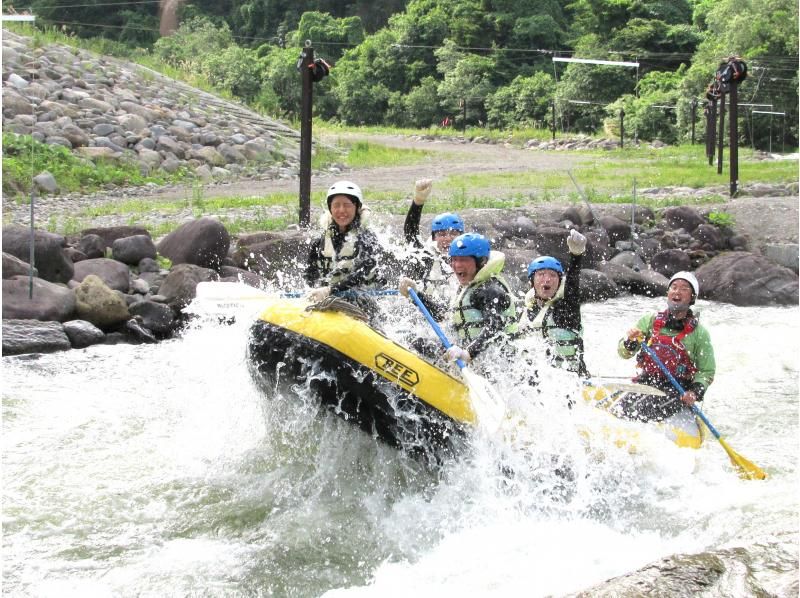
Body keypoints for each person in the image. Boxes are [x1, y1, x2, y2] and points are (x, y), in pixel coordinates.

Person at [399, 232, 517, 365]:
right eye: (454, 259)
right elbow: (444, 316)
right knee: (417, 342)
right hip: (472, 358)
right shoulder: (469, 287)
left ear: (482, 262)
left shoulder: (491, 290)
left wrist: (468, 353)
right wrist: (416, 295)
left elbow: (495, 325)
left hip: (497, 364)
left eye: (464, 260)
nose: (457, 265)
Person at [616, 271, 716, 422]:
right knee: (621, 409)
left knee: (644, 411)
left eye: (684, 289)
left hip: (677, 389)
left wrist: (694, 392)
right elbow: (624, 354)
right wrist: (631, 341)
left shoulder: (700, 334)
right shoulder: (649, 321)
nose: (677, 292)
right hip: (647, 382)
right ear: (668, 293)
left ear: (692, 297)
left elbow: (706, 371)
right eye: (674, 287)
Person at [517, 229, 590, 377]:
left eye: (552, 275)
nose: (547, 279)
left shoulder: (566, 309)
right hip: (537, 383)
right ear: (532, 281)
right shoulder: (528, 311)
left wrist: (576, 256)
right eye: (541, 274)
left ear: (559, 281)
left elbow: (572, 285)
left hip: (569, 382)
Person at [304, 180, 387, 303]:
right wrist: (312, 291)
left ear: (357, 207)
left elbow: (362, 272)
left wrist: (330, 290)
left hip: (366, 301)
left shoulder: (368, 238)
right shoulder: (320, 242)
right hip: (332, 299)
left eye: (347, 205)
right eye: (336, 205)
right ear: (330, 209)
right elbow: (310, 275)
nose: (341, 210)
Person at [402, 178, 463, 302]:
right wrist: (418, 201)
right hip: (429, 308)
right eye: (442, 234)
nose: (448, 239)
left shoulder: (470, 259)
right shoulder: (427, 256)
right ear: (434, 238)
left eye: (454, 234)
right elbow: (411, 233)